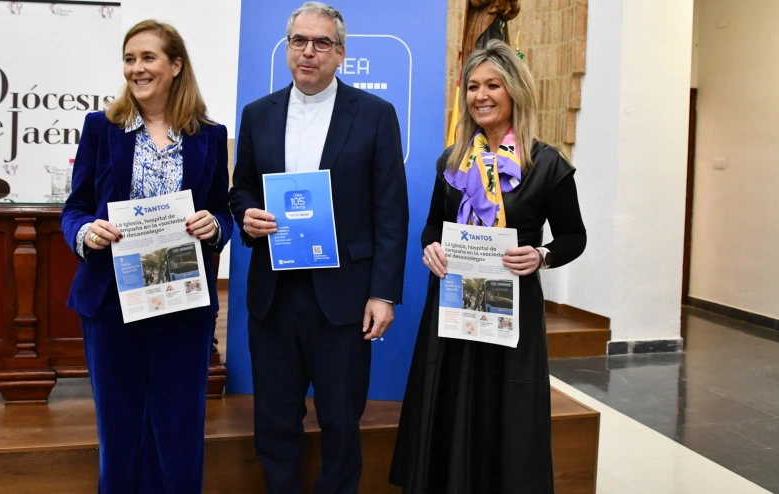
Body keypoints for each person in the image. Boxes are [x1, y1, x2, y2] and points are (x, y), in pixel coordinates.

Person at [389, 39, 587, 493]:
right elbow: (432, 227)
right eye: (473, 86)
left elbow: (574, 236)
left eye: (493, 85)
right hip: (453, 304)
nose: (481, 95)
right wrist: (431, 248)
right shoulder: (452, 161)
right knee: (449, 399)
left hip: (512, 308)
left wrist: (542, 255)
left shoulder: (545, 164)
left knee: (505, 408)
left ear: (514, 90)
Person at [229, 2, 409, 492]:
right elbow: (241, 189)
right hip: (274, 295)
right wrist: (247, 215)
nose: (309, 52)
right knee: (274, 419)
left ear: (341, 53)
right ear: (288, 48)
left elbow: (391, 211)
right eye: (299, 41)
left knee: (341, 420)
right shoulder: (257, 114)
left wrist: (383, 294)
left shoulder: (375, 115)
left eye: (322, 43)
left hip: (344, 297)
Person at [60, 20, 231, 493]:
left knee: (179, 429)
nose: (137, 68)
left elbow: (221, 209)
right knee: (119, 430)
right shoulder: (101, 128)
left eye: (148, 57)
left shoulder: (209, 135)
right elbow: (74, 208)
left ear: (175, 66)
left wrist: (215, 225)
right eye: (129, 58)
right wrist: (86, 231)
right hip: (111, 302)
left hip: (183, 299)